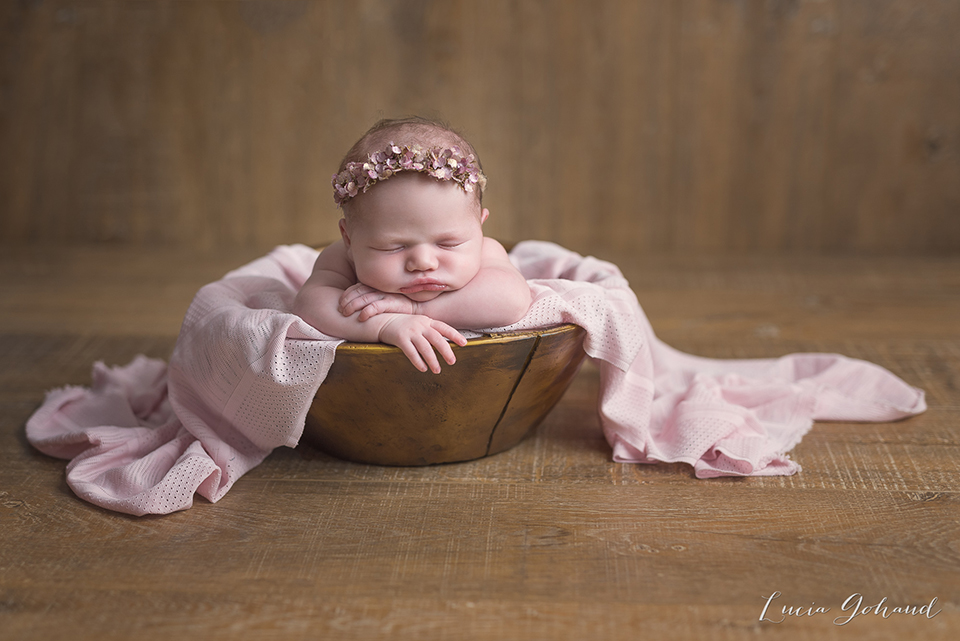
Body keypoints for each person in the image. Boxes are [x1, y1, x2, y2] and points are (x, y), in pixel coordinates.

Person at [293, 117, 532, 374]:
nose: (423, 262)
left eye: (448, 243)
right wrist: (386, 325)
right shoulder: (340, 258)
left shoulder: (487, 250)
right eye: (393, 247)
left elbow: (512, 300)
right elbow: (309, 305)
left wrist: (415, 308)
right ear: (349, 240)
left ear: (480, 227)